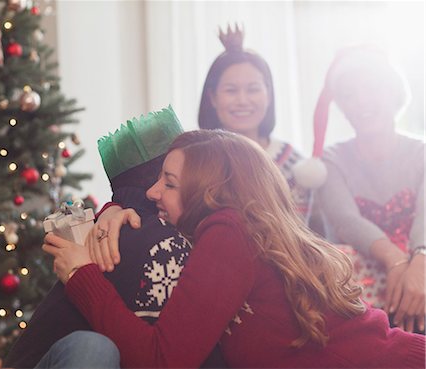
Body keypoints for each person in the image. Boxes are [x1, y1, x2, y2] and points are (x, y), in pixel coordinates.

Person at [41, 129, 424, 368]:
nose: (154, 192)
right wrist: (116, 208)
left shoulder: (228, 231)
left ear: (210, 194)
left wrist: (80, 275)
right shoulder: (233, 233)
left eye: (169, 183)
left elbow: (160, 360)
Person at [4, 107, 225, 368]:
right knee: (92, 347)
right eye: (161, 180)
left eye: (171, 182)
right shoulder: (161, 240)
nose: (156, 192)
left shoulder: (207, 238)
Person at [308, 46, 425, 333]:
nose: (362, 102)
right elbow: (346, 222)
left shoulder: (422, 153)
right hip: (361, 302)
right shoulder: (331, 160)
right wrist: (396, 261)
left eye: (372, 89)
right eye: (348, 95)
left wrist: (420, 263)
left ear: (394, 92)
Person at [198, 24, 311, 221]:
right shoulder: (195, 159)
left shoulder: (293, 163)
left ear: (268, 95)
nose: (243, 100)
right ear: (213, 97)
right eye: (231, 90)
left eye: (253, 89)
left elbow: (298, 233)